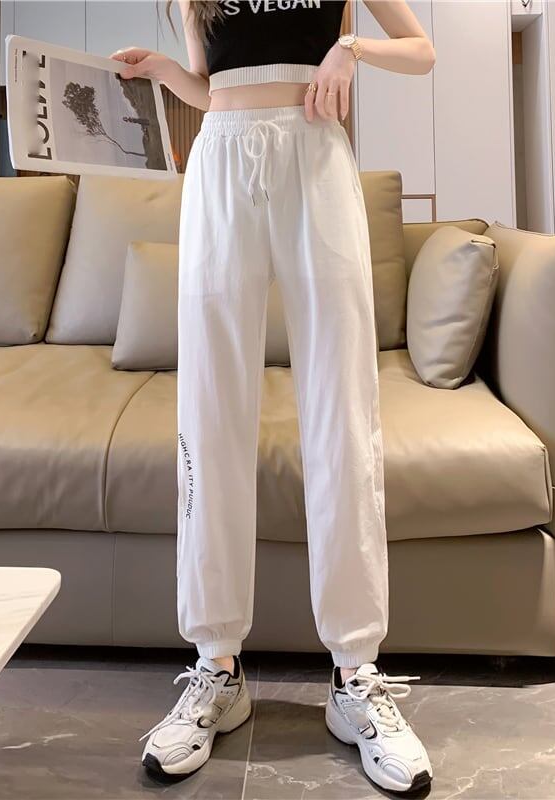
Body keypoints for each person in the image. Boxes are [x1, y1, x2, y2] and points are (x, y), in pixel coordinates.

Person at [112, 0, 436, 792]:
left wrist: (352, 46)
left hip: (315, 158)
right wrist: (165, 71)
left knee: (341, 408)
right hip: (220, 162)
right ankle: (216, 668)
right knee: (211, 412)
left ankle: (354, 674)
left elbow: (422, 50)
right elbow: (210, 86)